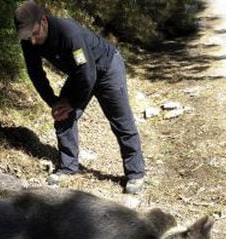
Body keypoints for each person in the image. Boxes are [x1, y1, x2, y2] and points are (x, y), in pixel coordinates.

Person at [14, 1, 145, 194]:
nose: (32, 41)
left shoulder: (69, 33)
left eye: (35, 34)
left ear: (44, 21)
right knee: (62, 115)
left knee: (121, 121)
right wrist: (55, 102)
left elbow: (89, 73)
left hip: (107, 68)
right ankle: (68, 167)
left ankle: (136, 174)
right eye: (27, 36)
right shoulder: (28, 40)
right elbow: (35, 73)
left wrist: (73, 102)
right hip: (80, 73)